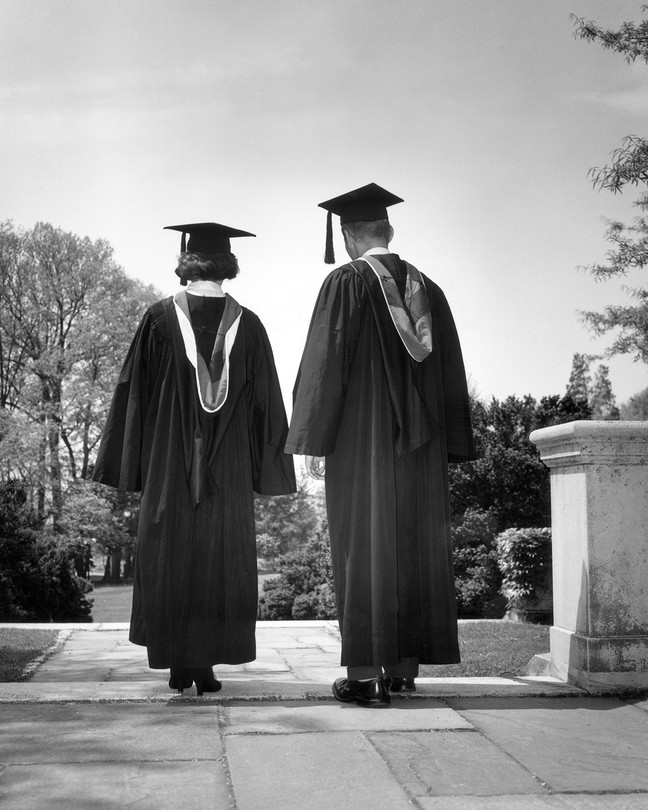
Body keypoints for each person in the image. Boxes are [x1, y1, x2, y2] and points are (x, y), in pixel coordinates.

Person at [285, 183, 475, 707]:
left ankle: (365, 677)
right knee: (414, 544)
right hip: (423, 447)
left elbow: (325, 363)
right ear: (388, 230)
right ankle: (404, 669)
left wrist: (314, 437)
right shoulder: (429, 290)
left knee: (365, 546)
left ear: (348, 235)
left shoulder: (345, 282)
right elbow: (453, 372)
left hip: (363, 444)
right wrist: (449, 444)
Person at [93, 222, 296, 695]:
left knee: (170, 555)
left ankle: (177, 663)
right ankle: (204, 667)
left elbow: (134, 397)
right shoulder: (250, 325)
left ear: (187, 262)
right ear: (227, 265)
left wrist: (133, 465)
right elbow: (268, 404)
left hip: (169, 464)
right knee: (219, 559)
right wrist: (267, 470)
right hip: (227, 468)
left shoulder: (159, 318)